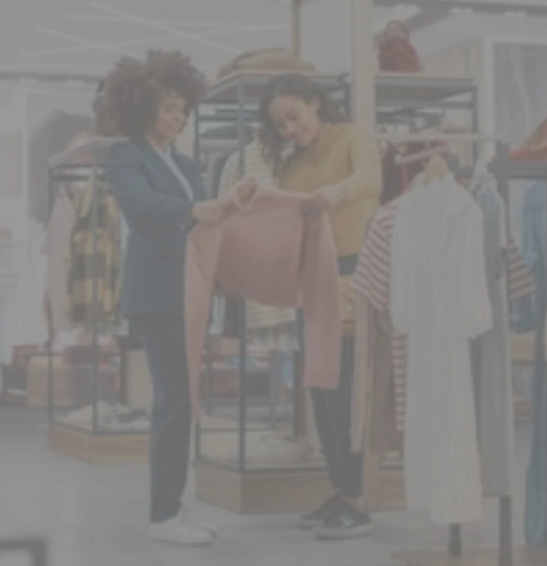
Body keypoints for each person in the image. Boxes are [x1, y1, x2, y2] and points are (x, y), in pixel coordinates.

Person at [98, 50, 235, 547]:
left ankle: (175, 505)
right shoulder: (125, 155)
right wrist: (198, 208)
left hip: (191, 290)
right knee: (174, 400)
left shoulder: (183, 162)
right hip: (157, 293)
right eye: (169, 107)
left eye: (182, 108)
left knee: (184, 400)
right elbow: (142, 205)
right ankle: (162, 515)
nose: (177, 117)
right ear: (142, 106)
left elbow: (204, 225)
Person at [253, 73, 382, 540]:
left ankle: (358, 500)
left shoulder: (352, 137)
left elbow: (372, 180)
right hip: (312, 282)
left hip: (351, 277)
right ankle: (340, 488)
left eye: (294, 116)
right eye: (280, 124)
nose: (289, 129)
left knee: (345, 391)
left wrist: (336, 193)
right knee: (321, 392)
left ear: (314, 103)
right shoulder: (291, 163)